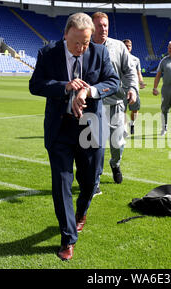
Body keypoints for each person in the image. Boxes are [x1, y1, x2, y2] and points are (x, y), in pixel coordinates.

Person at [29, 12, 119, 261]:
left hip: (90, 128)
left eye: (86, 42)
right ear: (66, 34)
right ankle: (68, 238)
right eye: (77, 42)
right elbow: (35, 85)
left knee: (89, 182)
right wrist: (65, 86)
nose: (81, 48)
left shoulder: (99, 53)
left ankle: (81, 213)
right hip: (60, 130)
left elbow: (113, 82)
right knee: (61, 184)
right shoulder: (48, 53)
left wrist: (88, 91)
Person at [91, 12, 138, 185]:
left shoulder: (119, 47)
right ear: (91, 27)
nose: (103, 28)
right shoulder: (85, 46)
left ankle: (115, 163)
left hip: (116, 103)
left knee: (117, 143)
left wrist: (132, 88)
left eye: (105, 25)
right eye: (99, 25)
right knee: (95, 145)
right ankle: (94, 180)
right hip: (93, 104)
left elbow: (129, 71)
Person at [122, 39, 146, 135]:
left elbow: (138, 73)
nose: (128, 47)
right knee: (122, 109)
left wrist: (141, 82)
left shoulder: (136, 59)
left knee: (135, 109)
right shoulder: (119, 58)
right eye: (126, 45)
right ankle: (124, 129)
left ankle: (132, 124)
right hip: (122, 87)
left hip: (133, 88)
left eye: (129, 46)